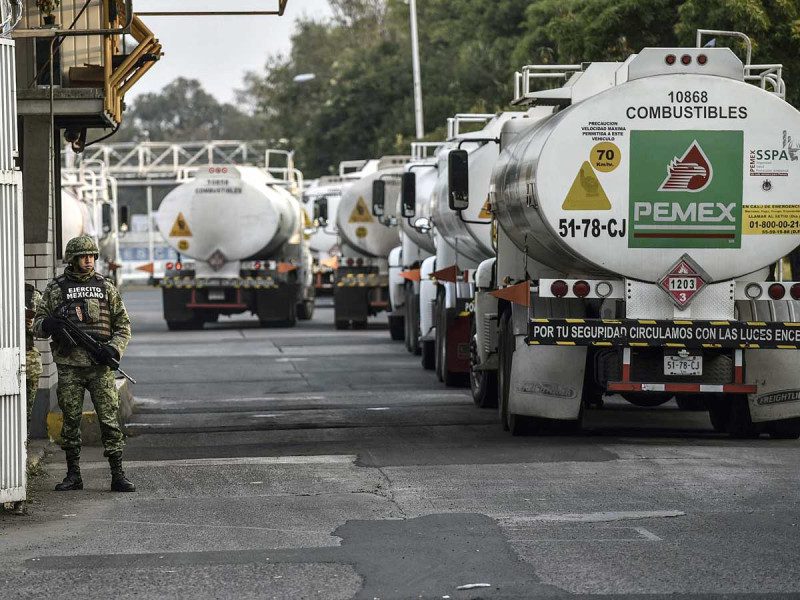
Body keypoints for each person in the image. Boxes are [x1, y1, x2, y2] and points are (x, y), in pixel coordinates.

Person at [33, 235, 135, 492]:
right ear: (73, 259)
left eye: (92, 256)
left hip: (99, 367)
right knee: (70, 421)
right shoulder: (56, 289)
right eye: (83, 256)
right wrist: (48, 324)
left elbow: (123, 326)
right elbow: (37, 324)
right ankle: (73, 474)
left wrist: (113, 349)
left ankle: (118, 474)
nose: (89, 261)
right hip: (69, 367)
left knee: (110, 421)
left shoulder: (106, 287)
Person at [25, 283, 43, 423]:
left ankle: (24, 437)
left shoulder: (32, 294)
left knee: (27, 408)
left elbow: (44, 328)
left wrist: (31, 326)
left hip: (28, 358)